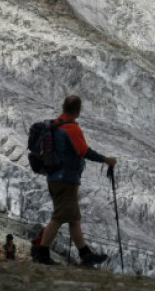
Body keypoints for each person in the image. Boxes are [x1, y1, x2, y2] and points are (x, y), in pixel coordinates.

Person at [33, 94, 117, 266]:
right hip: (66, 180)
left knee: (74, 218)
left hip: (55, 178)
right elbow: (84, 151)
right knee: (59, 217)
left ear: (64, 107)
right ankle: (42, 253)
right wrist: (106, 159)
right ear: (78, 110)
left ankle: (85, 254)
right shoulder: (71, 128)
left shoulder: (56, 125)